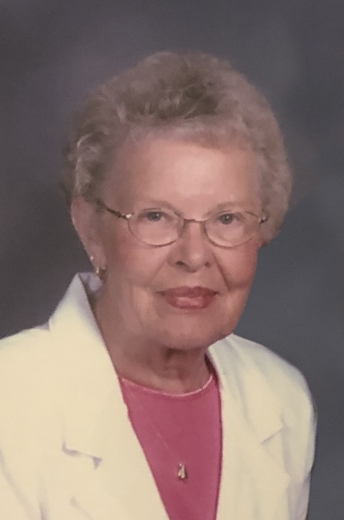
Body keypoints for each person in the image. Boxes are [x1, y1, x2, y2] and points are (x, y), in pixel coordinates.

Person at [0, 51, 315, 520]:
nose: (193, 255)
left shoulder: (282, 400)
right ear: (90, 229)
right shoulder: (12, 399)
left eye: (227, 218)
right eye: (156, 217)